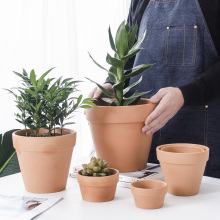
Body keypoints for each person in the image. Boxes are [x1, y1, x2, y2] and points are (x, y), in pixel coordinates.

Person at [88, 0, 220, 178]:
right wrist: (112, 83)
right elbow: (128, 50)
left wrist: (185, 94)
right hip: (143, 132)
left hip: (199, 131)